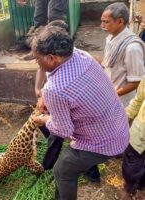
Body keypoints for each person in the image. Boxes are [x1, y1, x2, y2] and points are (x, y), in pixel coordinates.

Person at [32, 26, 129, 200]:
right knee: (68, 166)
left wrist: (44, 119)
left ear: (52, 58)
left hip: (104, 143)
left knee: (62, 170)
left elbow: (63, 131)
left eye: (37, 58)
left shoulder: (56, 89)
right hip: (119, 125)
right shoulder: (80, 55)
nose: (35, 62)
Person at [101, 2, 145, 107]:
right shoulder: (111, 38)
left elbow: (136, 82)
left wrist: (112, 95)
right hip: (111, 97)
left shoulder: (132, 48)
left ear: (120, 21)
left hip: (123, 103)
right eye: (102, 21)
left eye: (106, 22)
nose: (102, 25)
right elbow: (110, 65)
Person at [116, 78, 145, 200]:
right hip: (140, 132)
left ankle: (142, 188)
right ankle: (129, 188)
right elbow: (139, 100)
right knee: (131, 163)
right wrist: (125, 116)